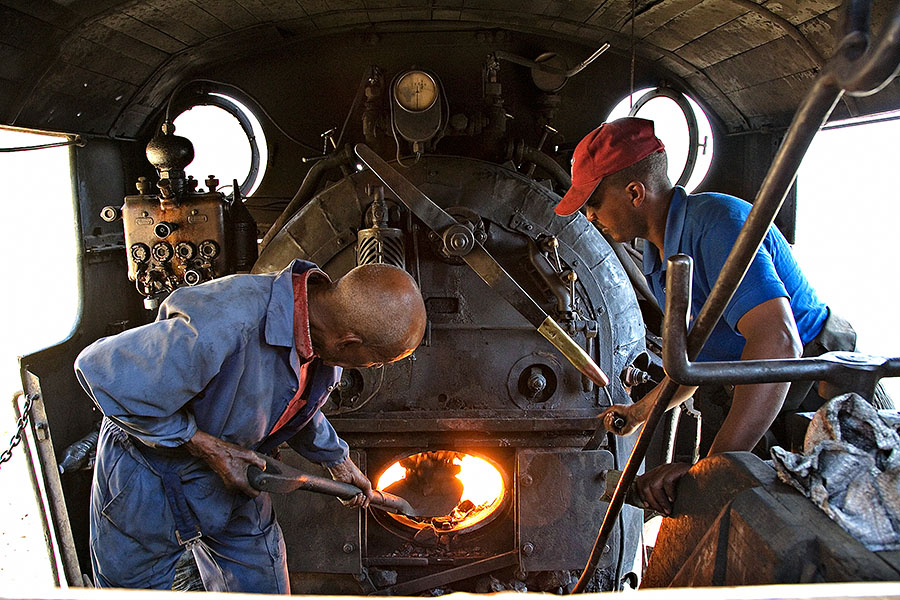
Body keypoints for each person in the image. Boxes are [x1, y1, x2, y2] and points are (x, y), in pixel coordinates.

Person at [554, 117, 857, 517]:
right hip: (757, 380)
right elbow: (696, 362)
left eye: (594, 203)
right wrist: (637, 413)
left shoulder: (716, 224)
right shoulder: (659, 259)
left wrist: (713, 468)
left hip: (811, 384)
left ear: (634, 192)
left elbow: (779, 342)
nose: (591, 217)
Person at [75, 259, 427, 592]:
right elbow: (100, 372)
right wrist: (205, 445)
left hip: (234, 479)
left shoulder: (319, 336)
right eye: (377, 362)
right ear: (349, 341)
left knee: (264, 589)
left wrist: (336, 458)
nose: (370, 368)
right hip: (147, 480)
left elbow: (290, 399)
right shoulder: (226, 320)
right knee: (133, 596)